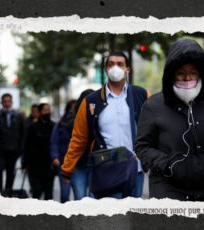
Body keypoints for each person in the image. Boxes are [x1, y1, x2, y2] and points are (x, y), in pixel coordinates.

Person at [135, 38, 204, 202]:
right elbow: (143, 147)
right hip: (168, 190)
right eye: (181, 73)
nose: (187, 77)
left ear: (201, 73)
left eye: (193, 72)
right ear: (171, 74)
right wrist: (168, 165)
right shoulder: (153, 105)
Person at [61, 51, 150, 199]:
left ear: (127, 69)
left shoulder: (142, 95)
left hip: (136, 171)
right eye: (111, 64)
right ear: (106, 69)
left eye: (120, 64)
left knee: (133, 218)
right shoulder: (91, 101)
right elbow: (78, 138)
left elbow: (154, 130)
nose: (115, 67)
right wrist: (67, 169)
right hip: (107, 171)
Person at [66, 89, 94, 200]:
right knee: (80, 197)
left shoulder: (98, 114)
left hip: (95, 163)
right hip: (78, 164)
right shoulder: (73, 117)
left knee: (94, 198)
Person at [24, 103, 56, 200]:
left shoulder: (54, 126)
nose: (48, 112)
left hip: (49, 165)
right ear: (40, 112)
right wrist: (26, 162)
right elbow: (27, 145)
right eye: (45, 110)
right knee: (37, 192)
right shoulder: (32, 127)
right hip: (35, 166)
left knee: (49, 193)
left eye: (49, 110)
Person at [0, 93, 25, 197]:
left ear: (12, 102)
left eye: (9, 101)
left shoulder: (19, 116)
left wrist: (20, 150)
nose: (7, 103)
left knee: (10, 172)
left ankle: (8, 192)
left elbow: (23, 133)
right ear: (1, 102)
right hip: (0, 150)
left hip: (13, 150)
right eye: (5, 101)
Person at [50, 100, 76, 203]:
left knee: (80, 194)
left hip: (78, 163)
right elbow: (54, 142)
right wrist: (55, 157)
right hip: (64, 163)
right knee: (65, 195)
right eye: (72, 108)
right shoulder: (60, 124)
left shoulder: (82, 122)